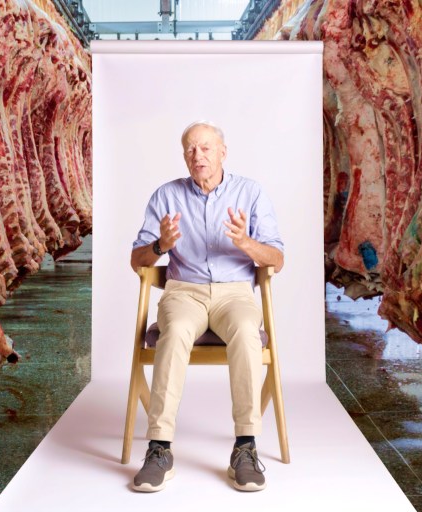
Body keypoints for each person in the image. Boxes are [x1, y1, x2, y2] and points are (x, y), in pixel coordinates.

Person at [130, 121, 284, 493]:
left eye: (205, 148)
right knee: (176, 331)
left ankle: (245, 447)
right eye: (190, 150)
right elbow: (137, 260)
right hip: (185, 291)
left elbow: (276, 259)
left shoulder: (251, 192)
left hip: (235, 293)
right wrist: (161, 246)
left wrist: (246, 243)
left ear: (223, 152)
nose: (197, 156)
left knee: (248, 333)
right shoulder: (165, 196)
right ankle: (159, 448)